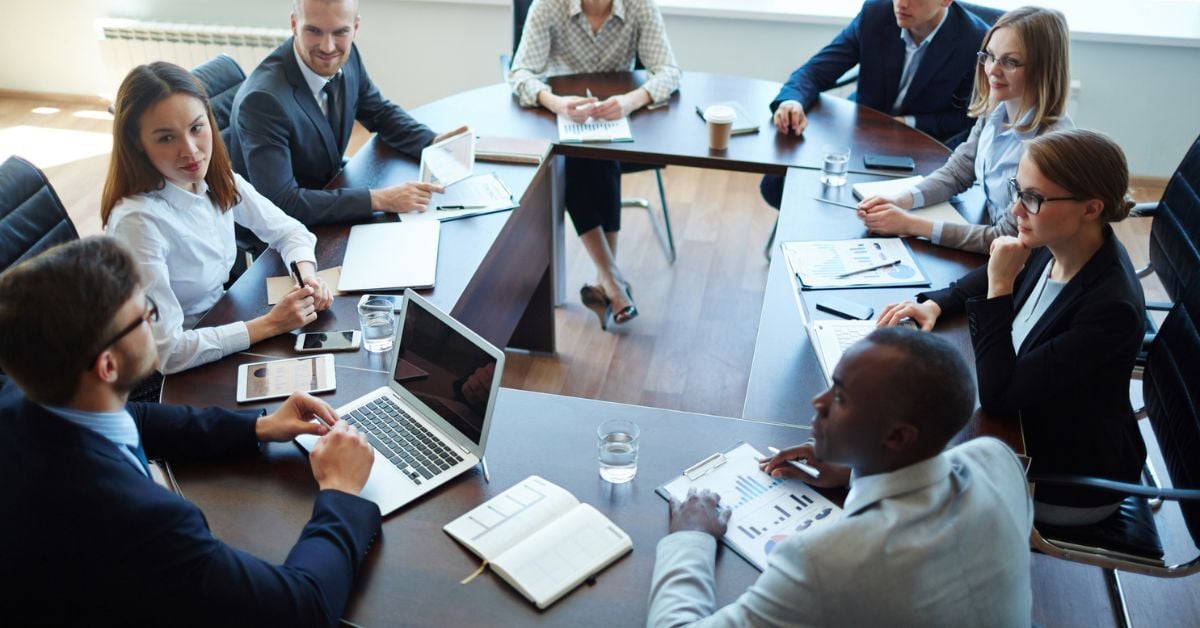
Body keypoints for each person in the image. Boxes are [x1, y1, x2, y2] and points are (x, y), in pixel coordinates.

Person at [0, 237, 379, 626]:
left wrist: (258, 426)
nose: (158, 320)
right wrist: (339, 491)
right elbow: (303, 611)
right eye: (146, 314)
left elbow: (135, 418)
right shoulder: (144, 520)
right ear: (107, 366)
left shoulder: (25, 393)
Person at [647, 327, 1033, 625]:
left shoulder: (821, 562)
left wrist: (691, 537)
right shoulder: (997, 459)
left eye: (841, 397)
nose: (818, 402)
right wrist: (859, 468)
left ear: (897, 437)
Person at [877, 129, 1146, 525]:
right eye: (1019, 190)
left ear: (1091, 209)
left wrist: (999, 287)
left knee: (895, 467)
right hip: (1027, 428)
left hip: (1066, 477)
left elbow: (999, 395)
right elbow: (1002, 266)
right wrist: (936, 302)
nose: (1017, 209)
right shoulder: (1064, 241)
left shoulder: (1110, 308)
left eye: (1034, 198)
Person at [102, 62, 332, 376]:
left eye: (197, 128)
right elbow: (168, 353)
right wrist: (270, 324)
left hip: (222, 326)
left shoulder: (216, 179)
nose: (191, 151)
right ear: (137, 143)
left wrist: (307, 279)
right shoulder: (138, 224)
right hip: (171, 374)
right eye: (167, 138)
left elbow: (290, 232)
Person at [508, 0, 682, 329]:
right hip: (560, 121)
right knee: (584, 157)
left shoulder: (639, 6)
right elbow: (520, 74)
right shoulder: (549, 5)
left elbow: (670, 72)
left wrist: (631, 100)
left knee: (595, 156)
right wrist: (556, 102)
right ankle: (612, 281)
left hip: (622, 123)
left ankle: (608, 280)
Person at [857, 6, 1073, 254]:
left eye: (1010, 62)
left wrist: (910, 224)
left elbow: (1005, 237)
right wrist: (902, 199)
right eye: (989, 56)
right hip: (988, 234)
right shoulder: (997, 108)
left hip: (1021, 263)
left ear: (1042, 69)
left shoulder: (1050, 145)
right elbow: (959, 171)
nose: (992, 70)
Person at [229, 0, 467, 225]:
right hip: (286, 232)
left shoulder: (348, 55)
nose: (328, 47)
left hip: (331, 191)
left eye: (340, 32)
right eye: (314, 31)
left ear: (355, 28)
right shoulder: (263, 101)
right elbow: (282, 203)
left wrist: (433, 142)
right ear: (294, 24)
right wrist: (381, 199)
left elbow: (380, 113)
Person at [759, 0, 990, 208]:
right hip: (862, 132)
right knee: (775, 185)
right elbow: (815, 71)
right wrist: (792, 101)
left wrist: (905, 123)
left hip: (922, 147)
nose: (901, 3)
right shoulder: (876, 13)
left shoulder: (975, 40)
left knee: (862, 205)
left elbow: (967, 117)